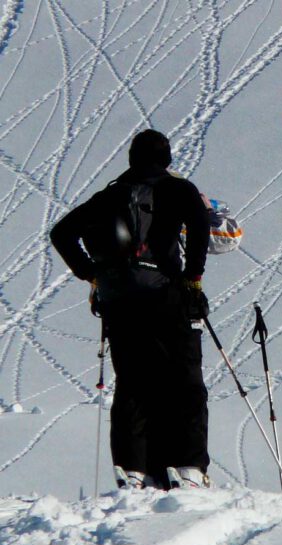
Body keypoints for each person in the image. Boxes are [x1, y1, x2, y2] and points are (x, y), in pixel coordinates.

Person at [50, 129, 212, 488]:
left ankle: (135, 470)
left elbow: (61, 233)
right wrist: (193, 277)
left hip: (119, 301)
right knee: (185, 380)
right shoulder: (178, 189)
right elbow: (200, 227)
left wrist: (90, 274)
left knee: (133, 383)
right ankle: (188, 467)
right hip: (167, 295)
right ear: (166, 157)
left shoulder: (111, 194)